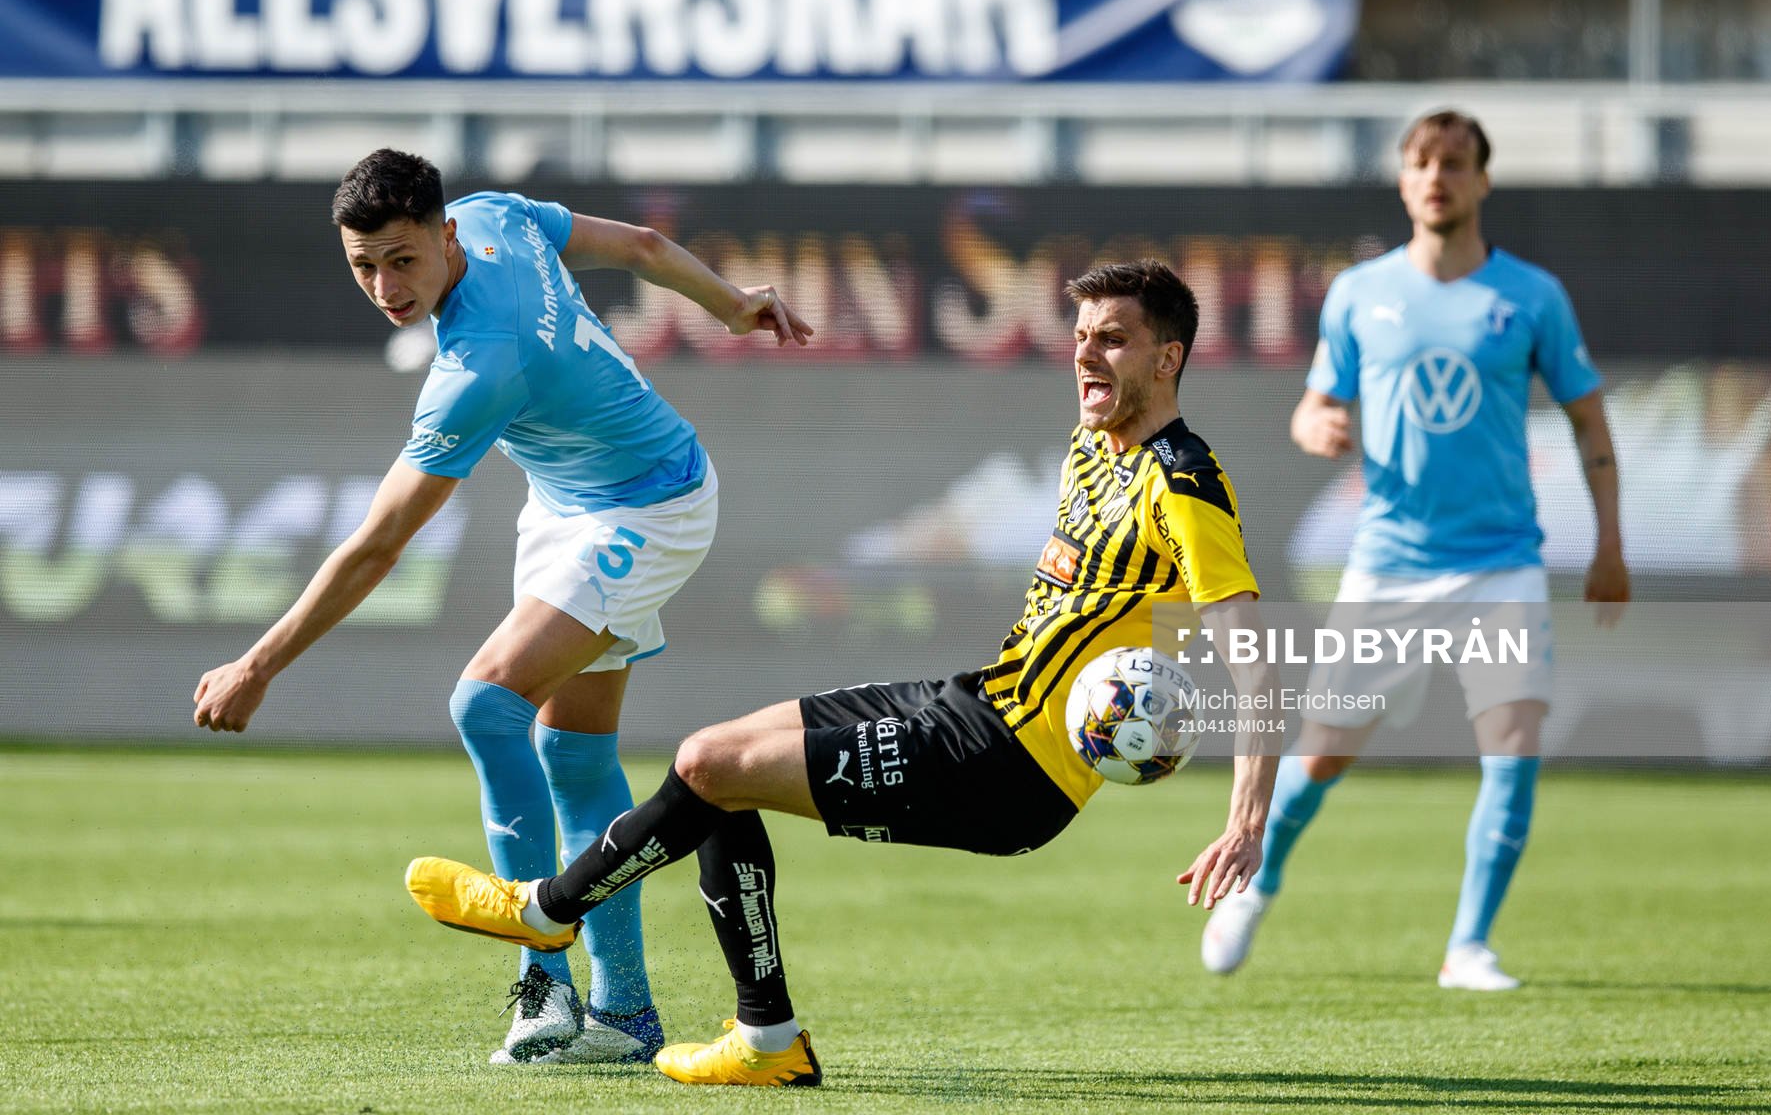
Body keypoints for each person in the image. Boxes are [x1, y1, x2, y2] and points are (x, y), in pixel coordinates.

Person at [404, 259, 1282, 1087]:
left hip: (1015, 770)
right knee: (712, 755)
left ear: (1168, 359)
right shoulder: (1094, 447)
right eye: (1082, 334)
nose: (1086, 351)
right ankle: (766, 1043)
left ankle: (548, 910)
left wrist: (1245, 823)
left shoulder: (1186, 485)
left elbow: (1254, 656)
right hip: (980, 701)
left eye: (1114, 338)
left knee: (712, 771)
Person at [190, 149, 810, 1063]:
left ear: (444, 238)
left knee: (484, 702)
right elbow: (636, 244)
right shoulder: (490, 214)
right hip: (569, 503)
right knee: (570, 751)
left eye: (403, 260)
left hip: (648, 505)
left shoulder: (480, 366)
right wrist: (728, 302)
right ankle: (627, 1015)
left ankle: (541, 971)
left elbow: (377, 547)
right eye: (363, 265)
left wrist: (258, 665)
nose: (385, 287)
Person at [1200, 110, 1629, 990]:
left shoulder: (1532, 296)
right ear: (1403, 181)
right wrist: (1315, 420)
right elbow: (1314, 403)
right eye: (1423, 163)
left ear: (1482, 181)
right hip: (1390, 558)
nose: (1438, 177)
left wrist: (1610, 542)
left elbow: (1588, 418)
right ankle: (1257, 881)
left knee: (1513, 745)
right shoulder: (1361, 292)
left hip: (1502, 557)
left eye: (1456, 163)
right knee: (1321, 754)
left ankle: (1468, 946)